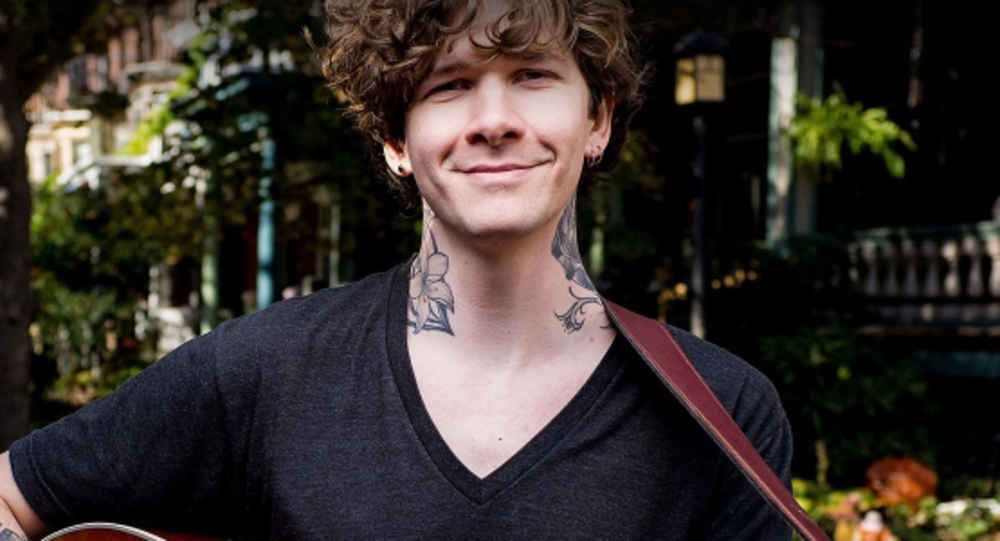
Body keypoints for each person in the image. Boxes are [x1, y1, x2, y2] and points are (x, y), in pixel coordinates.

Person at [1, 0, 794, 539]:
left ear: (598, 120)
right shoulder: (263, 372)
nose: (493, 120)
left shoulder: (725, 416)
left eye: (532, 74)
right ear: (394, 140)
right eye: (450, 85)